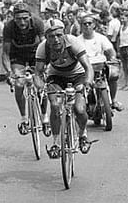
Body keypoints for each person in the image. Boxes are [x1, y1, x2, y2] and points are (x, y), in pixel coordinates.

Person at [35, 19, 95, 158]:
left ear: (64, 34)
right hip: (56, 77)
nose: (55, 39)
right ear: (46, 37)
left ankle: (82, 134)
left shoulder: (73, 42)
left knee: (79, 109)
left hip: (78, 76)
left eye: (59, 35)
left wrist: (87, 83)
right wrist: (40, 87)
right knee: (55, 106)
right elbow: (37, 73)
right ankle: (56, 142)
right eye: (51, 36)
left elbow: (88, 67)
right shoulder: (43, 48)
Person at [2, 3, 46, 133]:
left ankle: (45, 117)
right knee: (19, 83)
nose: (22, 22)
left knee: (41, 85)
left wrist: (46, 66)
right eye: (18, 18)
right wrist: (9, 73)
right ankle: (24, 119)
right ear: (14, 18)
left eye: (25, 18)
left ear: (30, 16)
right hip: (18, 55)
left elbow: (44, 45)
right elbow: (5, 53)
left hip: (35, 53)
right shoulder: (9, 27)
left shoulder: (37, 23)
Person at [77, 14, 122, 111]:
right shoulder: (77, 41)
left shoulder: (101, 38)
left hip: (100, 65)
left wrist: (113, 57)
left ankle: (113, 100)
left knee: (113, 76)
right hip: (85, 68)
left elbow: (110, 50)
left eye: (89, 23)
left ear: (94, 25)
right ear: (81, 26)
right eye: (84, 24)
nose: (87, 26)